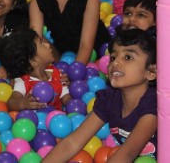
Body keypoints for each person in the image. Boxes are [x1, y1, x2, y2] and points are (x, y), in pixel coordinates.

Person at [42, 27, 157, 163]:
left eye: (128, 57)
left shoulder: (154, 104)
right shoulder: (109, 99)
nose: (116, 62)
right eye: (113, 57)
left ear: (151, 72)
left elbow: (128, 153)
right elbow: (73, 142)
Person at [0, 28, 70, 111]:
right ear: (34, 61)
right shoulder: (23, 82)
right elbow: (11, 103)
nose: (47, 45)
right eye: (41, 44)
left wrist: (73, 107)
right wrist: (23, 103)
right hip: (33, 122)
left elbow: (66, 98)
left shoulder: (57, 74)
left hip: (57, 121)